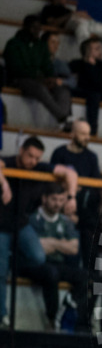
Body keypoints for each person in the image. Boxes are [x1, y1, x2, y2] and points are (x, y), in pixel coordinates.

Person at [0, 136, 78, 326]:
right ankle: (2, 314)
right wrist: (4, 183)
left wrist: (71, 197)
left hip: (21, 223)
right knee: (0, 272)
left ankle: (11, 261)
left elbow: (70, 173)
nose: (32, 161)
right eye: (30, 156)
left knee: (38, 257)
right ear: (21, 151)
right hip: (1, 225)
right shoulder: (8, 162)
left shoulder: (40, 167)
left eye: (37, 157)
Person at [28, 184, 89, 331]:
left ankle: (68, 310)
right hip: (37, 265)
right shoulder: (33, 219)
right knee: (51, 274)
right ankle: (52, 319)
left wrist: (51, 243)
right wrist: (61, 244)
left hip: (58, 263)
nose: (57, 204)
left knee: (85, 276)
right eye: (54, 199)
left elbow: (74, 248)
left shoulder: (65, 221)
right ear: (44, 199)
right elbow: (36, 248)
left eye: (61, 200)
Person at [3, 15, 72, 127]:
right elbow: (16, 69)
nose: (37, 31)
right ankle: (62, 118)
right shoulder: (13, 44)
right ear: (26, 27)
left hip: (40, 79)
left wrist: (51, 78)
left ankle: (63, 121)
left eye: (39, 28)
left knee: (62, 90)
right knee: (39, 88)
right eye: (34, 28)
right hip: (20, 80)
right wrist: (38, 77)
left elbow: (47, 66)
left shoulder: (41, 45)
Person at [50, 120, 102, 267]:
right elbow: (52, 183)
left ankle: (91, 277)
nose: (87, 137)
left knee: (90, 231)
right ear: (72, 134)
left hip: (84, 210)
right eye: (83, 134)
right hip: (61, 203)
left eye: (89, 134)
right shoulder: (60, 153)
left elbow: (96, 186)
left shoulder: (91, 157)